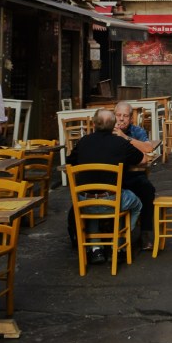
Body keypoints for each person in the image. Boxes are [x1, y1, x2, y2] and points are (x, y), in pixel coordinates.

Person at [68, 108, 143, 264]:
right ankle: (119, 244)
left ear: (94, 123)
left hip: (84, 203)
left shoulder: (83, 142)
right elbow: (141, 159)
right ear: (114, 124)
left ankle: (96, 249)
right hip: (111, 202)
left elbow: (70, 161)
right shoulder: (120, 143)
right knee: (136, 204)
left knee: (92, 200)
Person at [113, 102, 159, 251]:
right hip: (113, 176)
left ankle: (145, 233)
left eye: (125, 116)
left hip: (134, 175)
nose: (121, 119)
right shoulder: (108, 130)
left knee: (147, 190)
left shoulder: (137, 131)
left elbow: (148, 147)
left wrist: (124, 137)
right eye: (118, 115)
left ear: (131, 118)